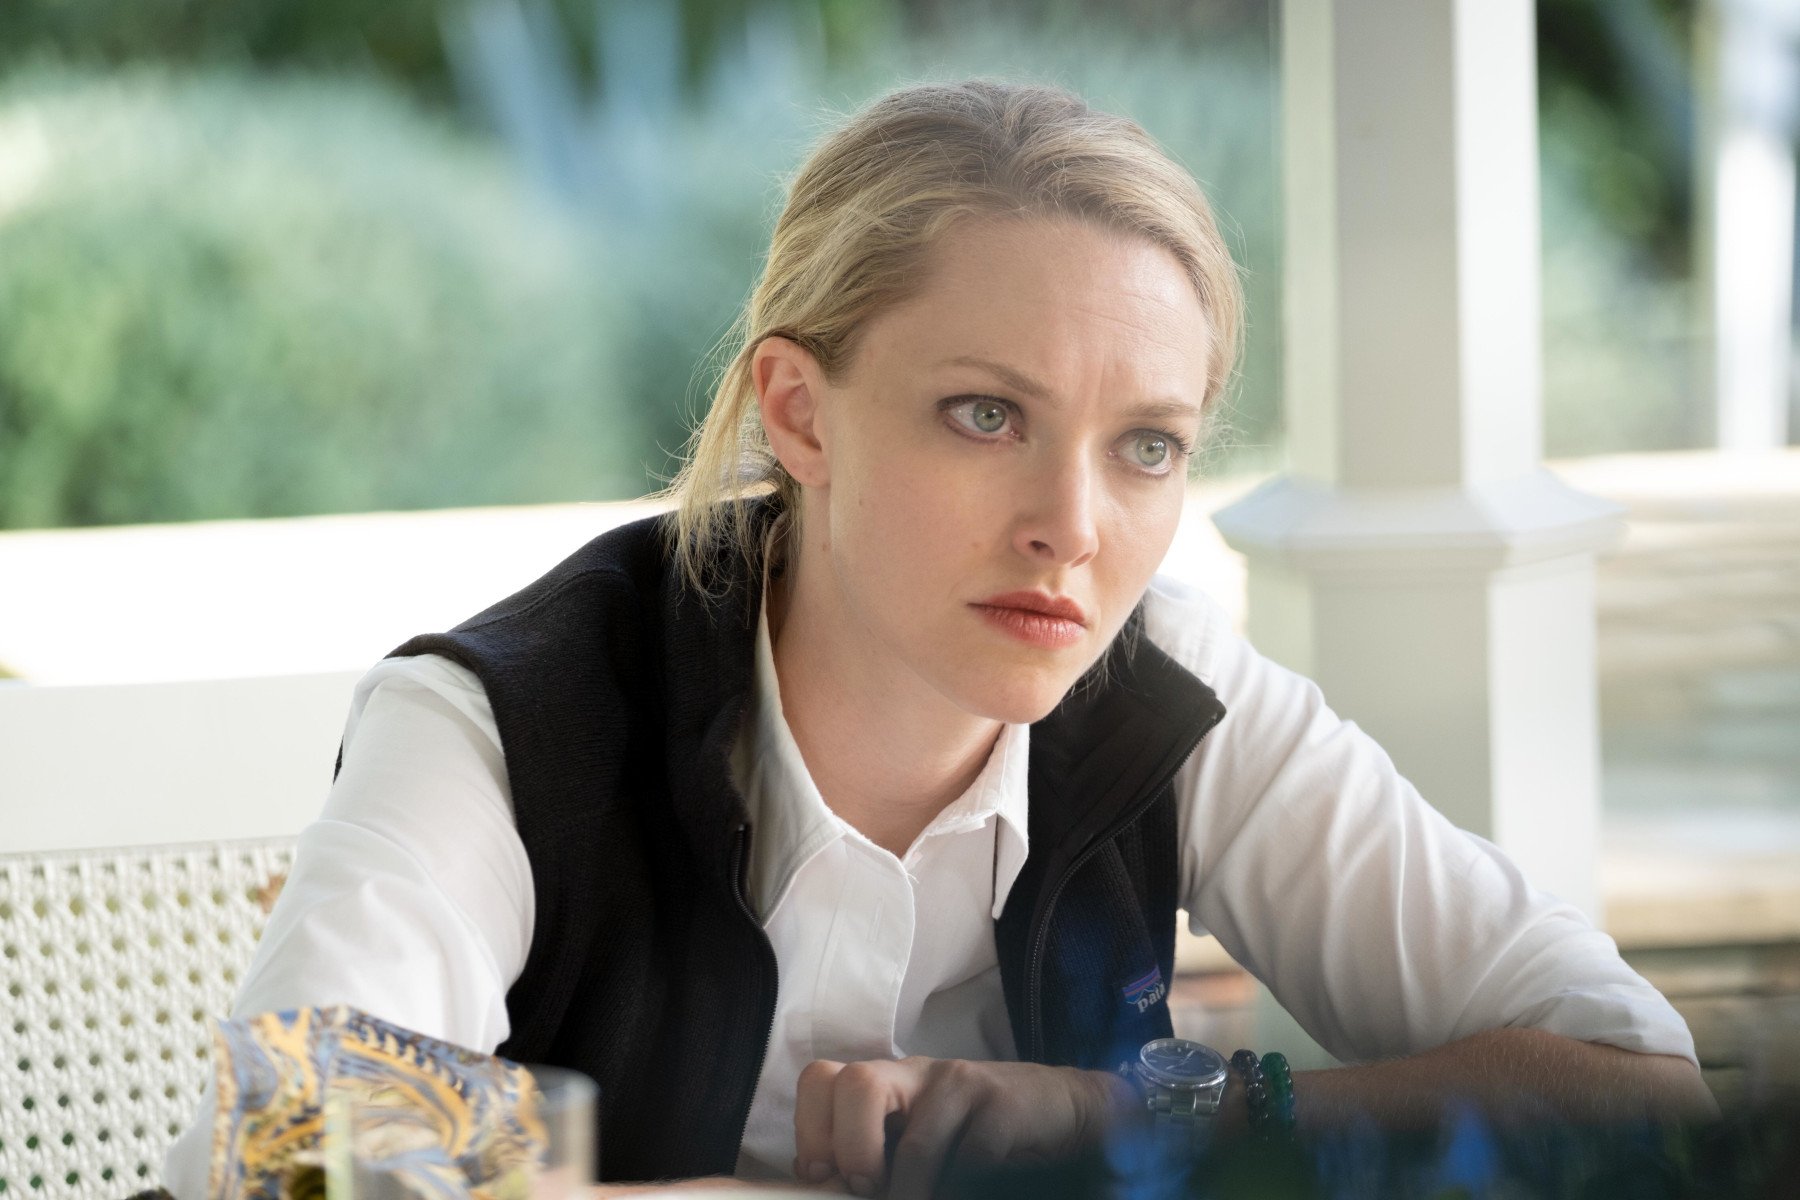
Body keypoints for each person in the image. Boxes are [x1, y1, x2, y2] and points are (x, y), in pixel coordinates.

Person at [163, 79, 1713, 1199]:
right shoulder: (505, 725)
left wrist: (1132, 1123)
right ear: (798, 410)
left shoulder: (1167, 698)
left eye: (1148, 446)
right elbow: (295, 1161)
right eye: (987, 415)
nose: (1073, 526)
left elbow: (1634, 1086)